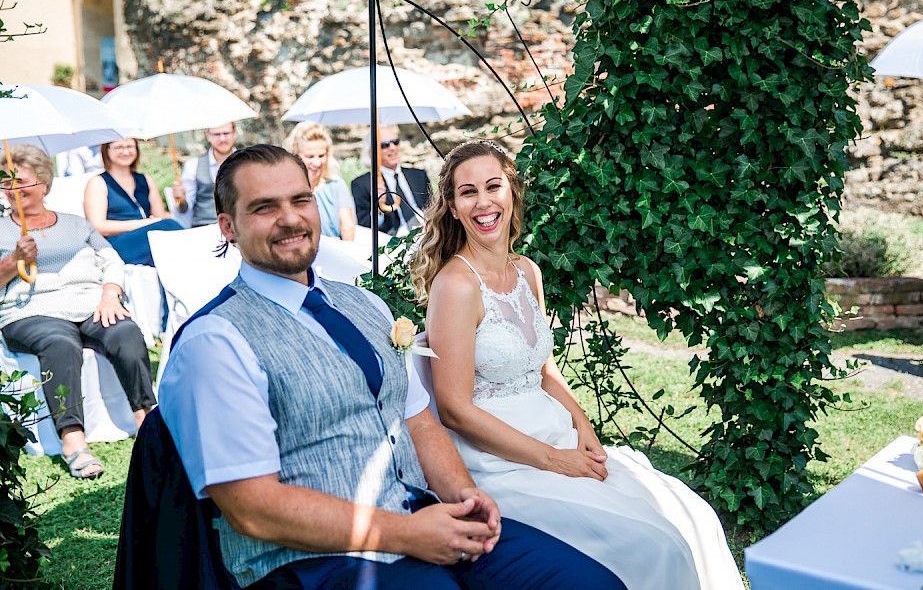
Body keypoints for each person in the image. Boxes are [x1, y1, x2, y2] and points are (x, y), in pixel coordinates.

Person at [157, 144, 626, 590]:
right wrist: (406, 534)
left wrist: (465, 499)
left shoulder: (364, 305)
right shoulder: (214, 341)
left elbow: (420, 423)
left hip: (424, 521)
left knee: (593, 583)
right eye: (264, 207)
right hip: (318, 563)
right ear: (227, 226)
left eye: (301, 199)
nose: (289, 218)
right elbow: (253, 510)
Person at [412, 140, 745, 590]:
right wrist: (555, 461)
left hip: (556, 434)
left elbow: (545, 370)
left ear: (512, 192)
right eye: (468, 192)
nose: (484, 202)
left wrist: (583, 427)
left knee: (692, 518)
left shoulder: (528, 271)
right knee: (654, 544)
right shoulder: (455, 285)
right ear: (452, 207)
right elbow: (453, 409)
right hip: (502, 459)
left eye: (494, 186)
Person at [0, 144, 156, 479]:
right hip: (30, 312)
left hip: (90, 304)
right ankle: (73, 440)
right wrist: (13, 261)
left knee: (124, 330)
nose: (14, 189)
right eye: (6, 183)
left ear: (44, 183)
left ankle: (147, 422)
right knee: (59, 342)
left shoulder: (76, 224)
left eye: (22, 181)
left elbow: (111, 259)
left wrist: (111, 293)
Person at [83, 138, 184, 266]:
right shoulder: (98, 183)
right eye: (119, 147)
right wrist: (143, 223)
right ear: (106, 150)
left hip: (148, 238)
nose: (125, 152)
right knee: (168, 226)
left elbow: (160, 216)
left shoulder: (146, 180)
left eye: (130, 146)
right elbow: (98, 226)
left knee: (167, 247)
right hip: (118, 243)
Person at [352, 124, 432, 236]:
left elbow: (432, 208)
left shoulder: (418, 175)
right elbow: (365, 226)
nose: (392, 147)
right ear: (371, 152)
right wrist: (378, 210)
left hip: (427, 232)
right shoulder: (363, 184)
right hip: (395, 239)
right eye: (384, 145)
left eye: (395, 142)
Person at [283, 121, 356, 240]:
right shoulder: (284, 189)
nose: (317, 163)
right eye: (310, 156)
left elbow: (348, 226)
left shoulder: (336, 185)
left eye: (321, 156)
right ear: (295, 155)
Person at [172, 122, 239, 227]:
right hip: (204, 228)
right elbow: (185, 210)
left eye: (226, 133)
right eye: (216, 134)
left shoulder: (247, 163)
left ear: (235, 133)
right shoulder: (193, 165)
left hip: (239, 228)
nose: (222, 139)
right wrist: (181, 200)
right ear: (208, 136)